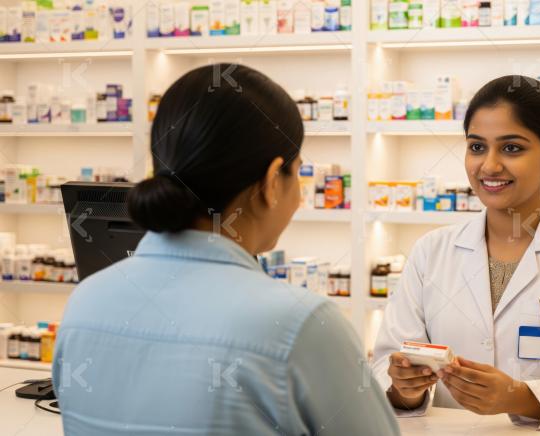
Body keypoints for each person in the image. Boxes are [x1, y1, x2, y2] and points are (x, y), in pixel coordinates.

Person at [53, 64, 400, 436]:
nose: (298, 198)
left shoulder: (84, 302)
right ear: (271, 182)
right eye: (298, 173)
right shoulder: (300, 324)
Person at [372, 75, 540, 429]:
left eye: (512, 148)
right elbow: (384, 365)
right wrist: (404, 389)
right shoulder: (431, 252)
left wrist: (520, 397)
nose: (489, 166)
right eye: (477, 147)